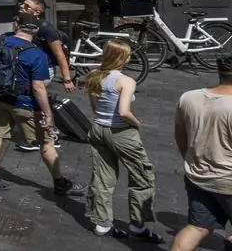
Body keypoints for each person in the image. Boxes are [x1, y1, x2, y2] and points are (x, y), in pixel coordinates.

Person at [0, 12, 73, 196]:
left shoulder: (0, 43)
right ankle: (59, 182)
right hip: (24, 104)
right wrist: (48, 113)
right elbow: (38, 88)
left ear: (16, 25)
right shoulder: (37, 54)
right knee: (46, 143)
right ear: (36, 31)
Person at [82, 38, 157, 240]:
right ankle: (137, 226)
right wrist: (137, 123)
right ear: (122, 58)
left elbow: (95, 108)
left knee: (102, 177)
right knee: (142, 177)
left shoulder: (93, 76)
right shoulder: (126, 81)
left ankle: (102, 224)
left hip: (98, 128)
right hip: (121, 132)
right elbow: (124, 112)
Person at [171, 54, 232, 251]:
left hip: (198, 176)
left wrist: (191, 160)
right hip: (228, 180)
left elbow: (180, 136)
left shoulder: (189, 97)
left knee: (197, 227)